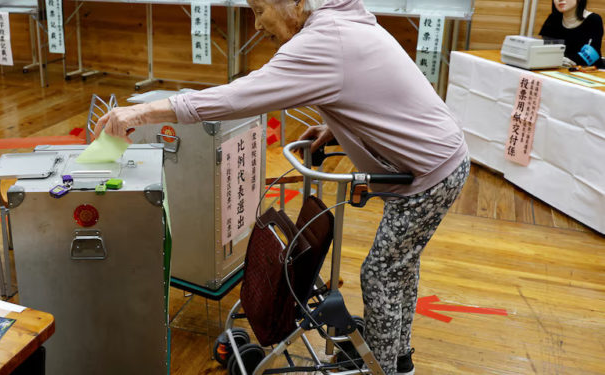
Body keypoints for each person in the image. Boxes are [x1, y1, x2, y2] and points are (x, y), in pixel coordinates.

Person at [94, 0, 469, 372]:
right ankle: (397, 356)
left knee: (381, 273)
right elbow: (371, 87)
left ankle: (383, 367)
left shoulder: (323, 40)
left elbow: (238, 96)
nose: (257, 25)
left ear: (295, 2)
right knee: (399, 265)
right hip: (439, 155)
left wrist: (140, 112)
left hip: (429, 174)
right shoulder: (336, 21)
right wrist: (336, 126)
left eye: (259, 9)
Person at [539, 0, 603, 67]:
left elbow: (592, 54)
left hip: (588, 71)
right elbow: (546, 48)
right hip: (557, 69)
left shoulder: (593, 20)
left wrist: (564, 60)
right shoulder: (553, 19)